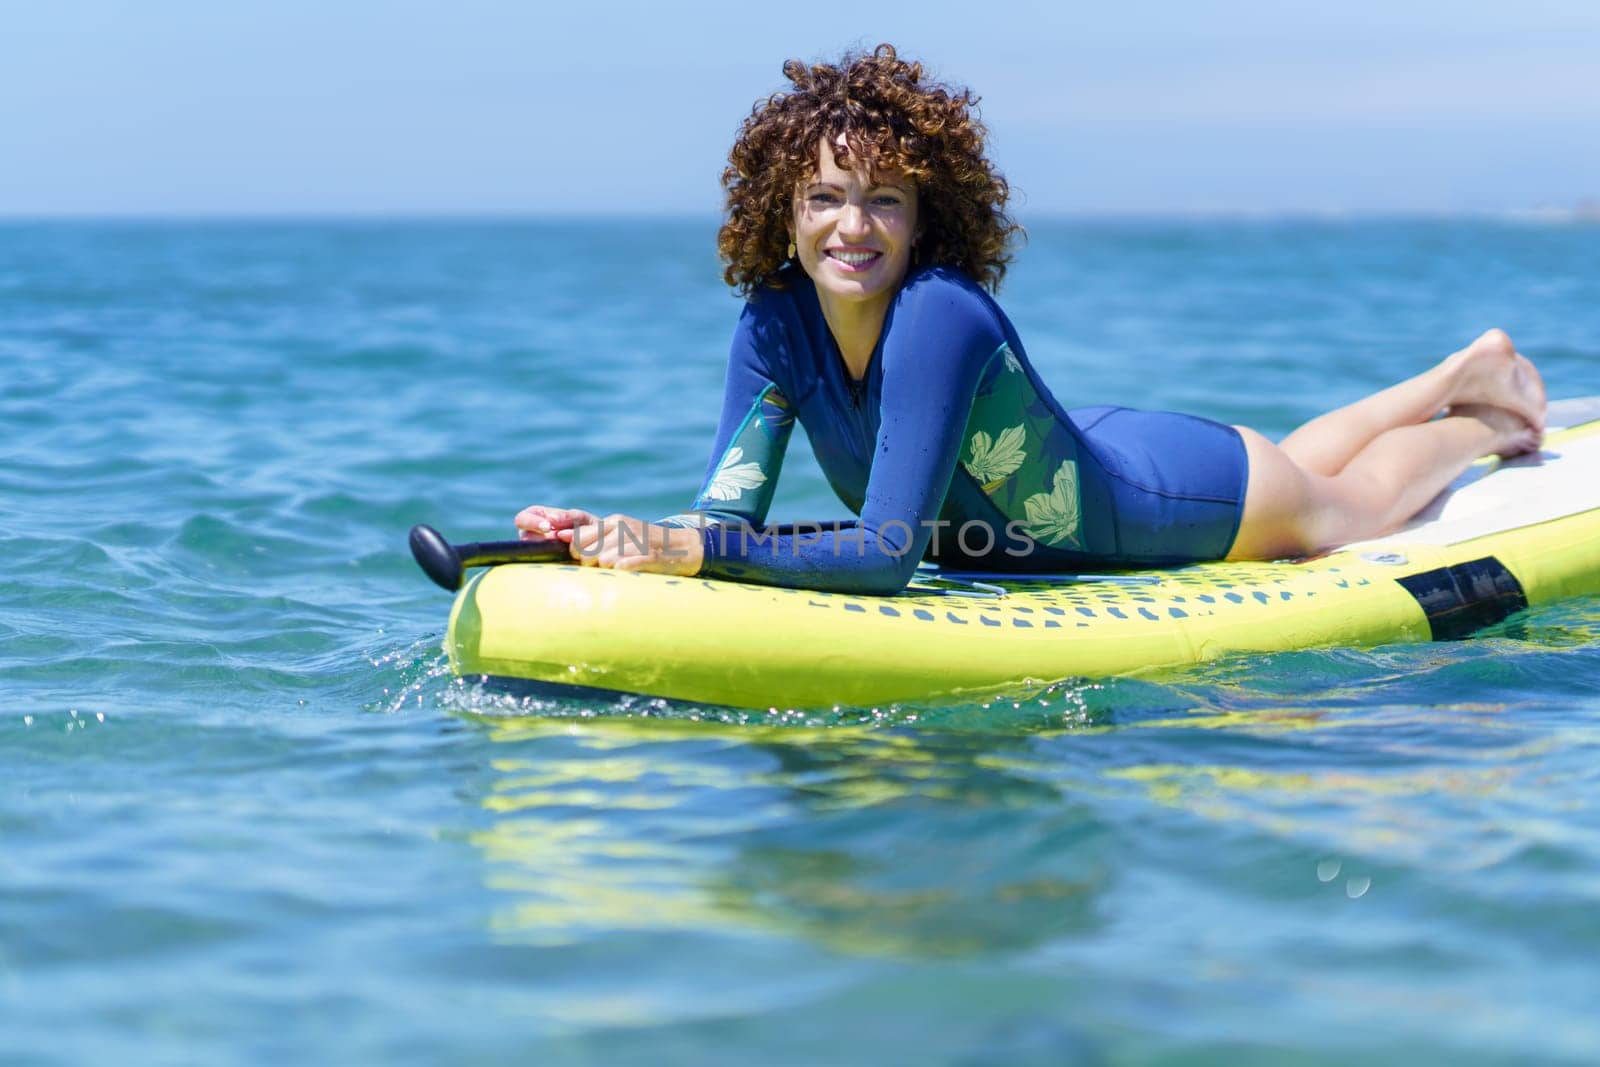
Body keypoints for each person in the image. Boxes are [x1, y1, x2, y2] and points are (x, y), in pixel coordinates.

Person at [515, 45, 1545, 596]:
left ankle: (1478, 414)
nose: (851, 226)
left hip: (1159, 492)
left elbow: (882, 551)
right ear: (781, 210)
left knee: (1340, 509)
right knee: (1296, 464)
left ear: (926, 219)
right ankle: (1454, 368)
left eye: (883, 200)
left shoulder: (940, 315)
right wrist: (618, 534)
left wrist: (684, 553)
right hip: (1089, 448)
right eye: (823, 197)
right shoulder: (771, 324)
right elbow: (730, 518)